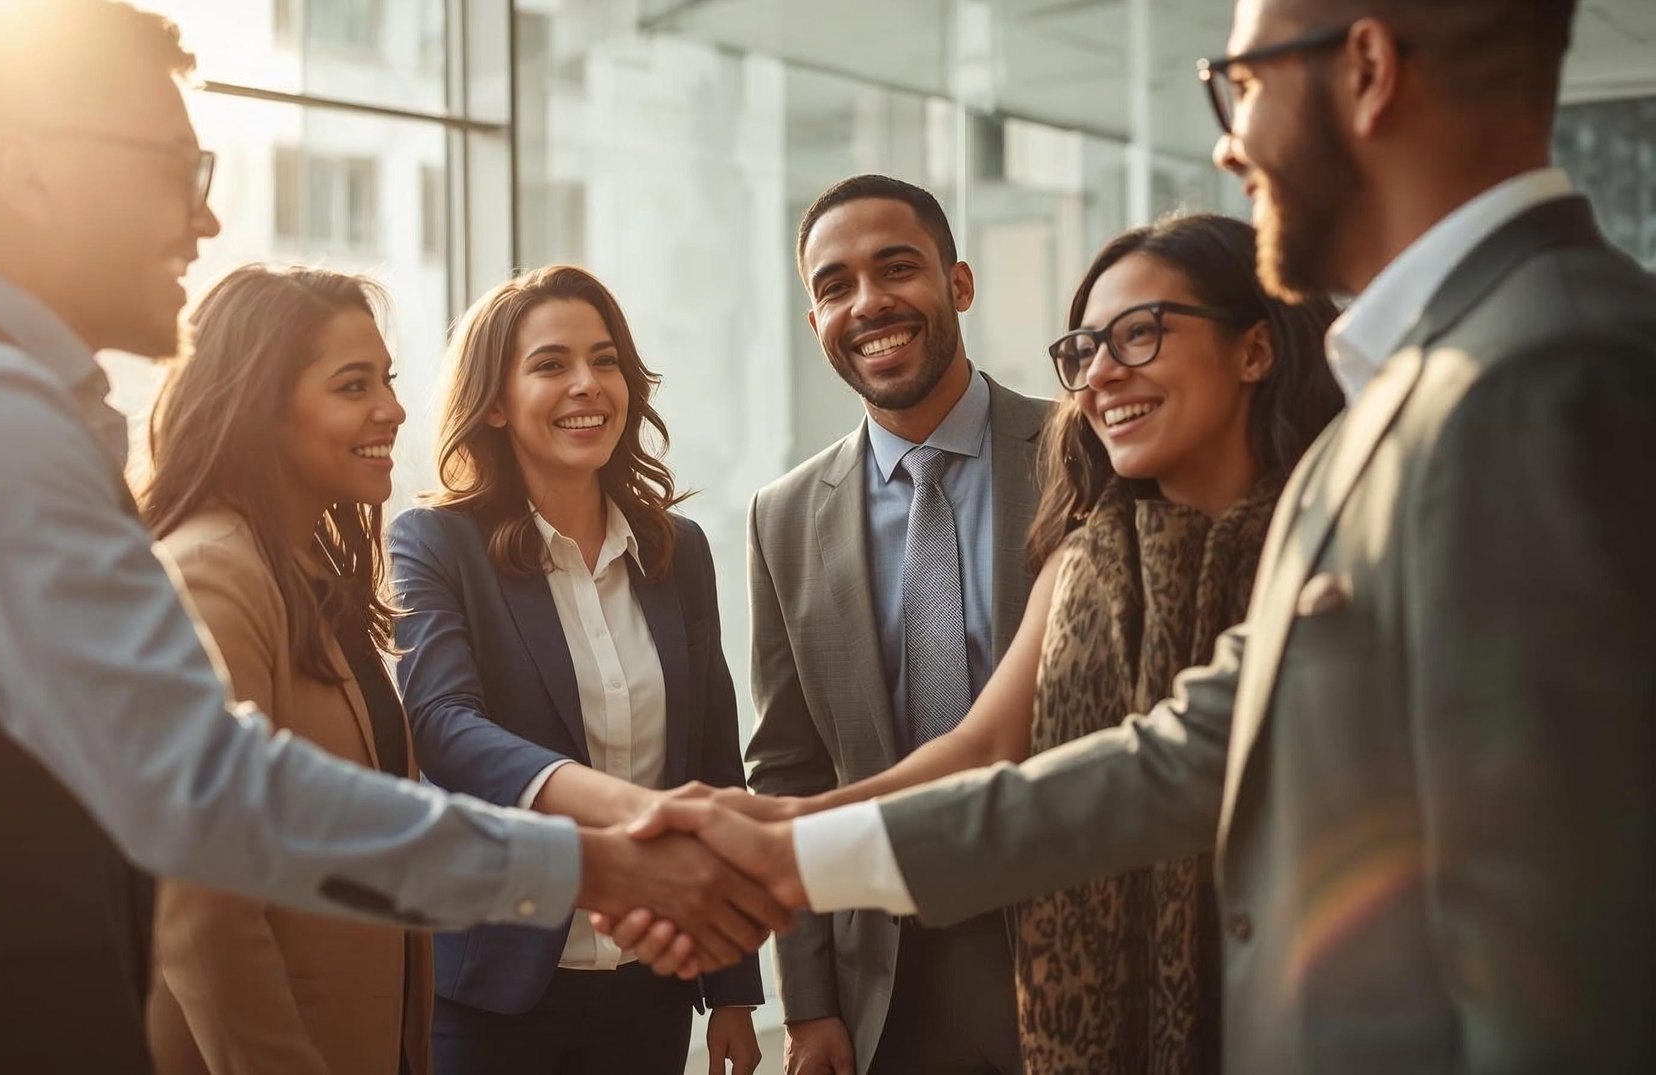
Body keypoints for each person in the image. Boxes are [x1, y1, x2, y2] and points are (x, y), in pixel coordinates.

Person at [614, 0, 1656, 1070]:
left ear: (1367, 68)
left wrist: (777, 853)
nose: (1225, 138)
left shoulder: (1543, 380)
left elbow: (1566, 935)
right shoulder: (1422, 386)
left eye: (1239, 84)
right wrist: (784, 852)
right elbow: (1179, 759)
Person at [0, 3, 781, 1071]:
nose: (204, 217)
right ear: (26, 170)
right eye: (176, 168)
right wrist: (593, 865)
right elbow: (206, 793)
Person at [718, 213, 1340, 1073]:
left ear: (1255, 350)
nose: (1104, 374)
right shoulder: (1090, 541)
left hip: (1288, 973)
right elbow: (978, 744)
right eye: (1087, 348)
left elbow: (1146, 769)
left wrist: (778, 850)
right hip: (1056, 977)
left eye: (1141, 334)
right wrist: (773, 839)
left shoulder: (1328, 543)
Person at [387, 264, 763, 1075]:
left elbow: (711, 758)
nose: (587, 385)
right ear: (494, 399)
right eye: (551, 364)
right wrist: (631, 810)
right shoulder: (432, 543)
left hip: (650, 990)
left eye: (605, 359)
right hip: (488, 992)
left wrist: (733, 981)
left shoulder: (677, 550)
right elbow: (444, 727)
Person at [738, 174, 1046, 1075]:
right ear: (814, 322)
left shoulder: (1083, 457)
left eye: (896, 268)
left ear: (959, 283)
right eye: (834, 286)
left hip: (1071, 933)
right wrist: (808, 1004)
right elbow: (787, 764)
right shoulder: (783, 515)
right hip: (885, 983)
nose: (868, 303)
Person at [137, 265, 431, 1074]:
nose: (393, 408)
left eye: (388, 379)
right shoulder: (211, 573)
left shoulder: (309, 571)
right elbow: (202, 906)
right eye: (353, 384)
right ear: (259, 404)